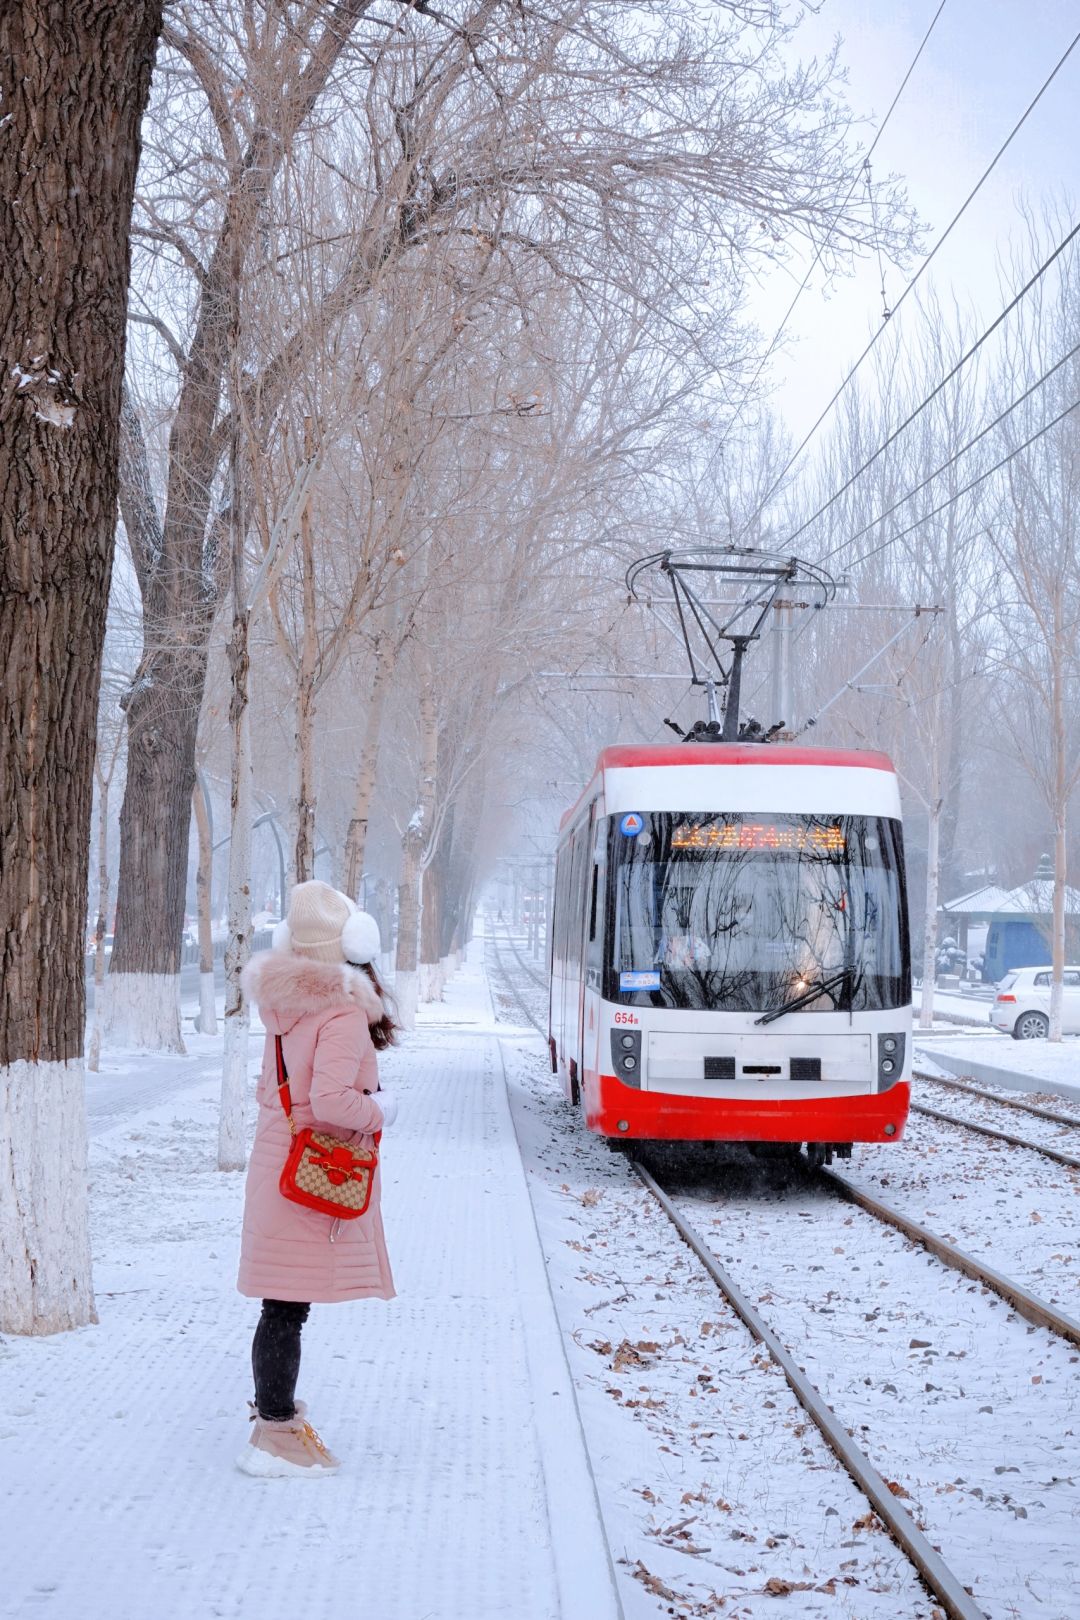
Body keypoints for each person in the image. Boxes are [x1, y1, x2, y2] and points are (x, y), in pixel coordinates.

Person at [235, 879, 398, 1478]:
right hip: (309, 1173)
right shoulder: (343, 1012)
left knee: (280, 1304)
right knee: (286, 1309)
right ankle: (274, 1439)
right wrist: (381, 1110)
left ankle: (272, 1428)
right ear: (353, 943)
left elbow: (274, 1092)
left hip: (275, 1164)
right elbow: (330, 1102)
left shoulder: (283, 1007)